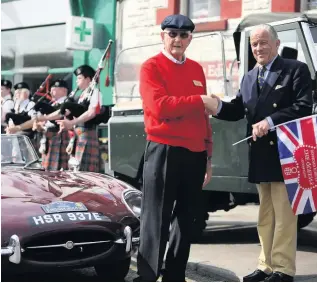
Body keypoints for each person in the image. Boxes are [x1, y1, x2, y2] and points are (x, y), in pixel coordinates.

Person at [203, 24, 312, 282]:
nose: (259, 48)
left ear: (276, 44)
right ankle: (266, 266)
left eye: (264, 43)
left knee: (285, 214)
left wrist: (271, 121)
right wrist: (217, 106)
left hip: (285, 152)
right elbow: (239, 109)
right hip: (261, 153)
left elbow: (303, 106)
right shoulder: (250, 76)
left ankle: (283, 269)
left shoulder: (295, 70)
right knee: (266, 214)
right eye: (254, 44)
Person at [135, 14, 213, 282]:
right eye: (172, 34)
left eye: (184, 35)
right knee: (156, 219)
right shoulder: (150, 67)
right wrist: (199, 99)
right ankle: (147, 276)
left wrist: (208, 155)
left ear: (190, 38)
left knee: (188, 220)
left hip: (195, 153)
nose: (178, 39)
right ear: (162, 36)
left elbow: (203, 116)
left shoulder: (196, 69)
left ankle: (175, 275)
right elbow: (160, 108)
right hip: (164, 150)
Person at [6, 79, 71, 171]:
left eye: (55, 89)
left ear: (64, 90)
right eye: (51, 89)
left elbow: (58, 116)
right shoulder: (51, 103)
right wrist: (40, 126)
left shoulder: (67, 102)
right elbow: (41, 121)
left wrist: (19, 127)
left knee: (57, 169)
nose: (51, 91)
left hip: (59, 137)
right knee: (47, 169)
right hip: (48, 137)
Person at [55, 65, 100, 172]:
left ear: (88, 79)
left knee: (84, 172)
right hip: (77, 137)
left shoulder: (95, 93)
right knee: (74, 171)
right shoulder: (80, 96)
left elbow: (91, 113)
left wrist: (73, 122)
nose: (76, 81)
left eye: (79, 78)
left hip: (86, 136)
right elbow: (68, 113)